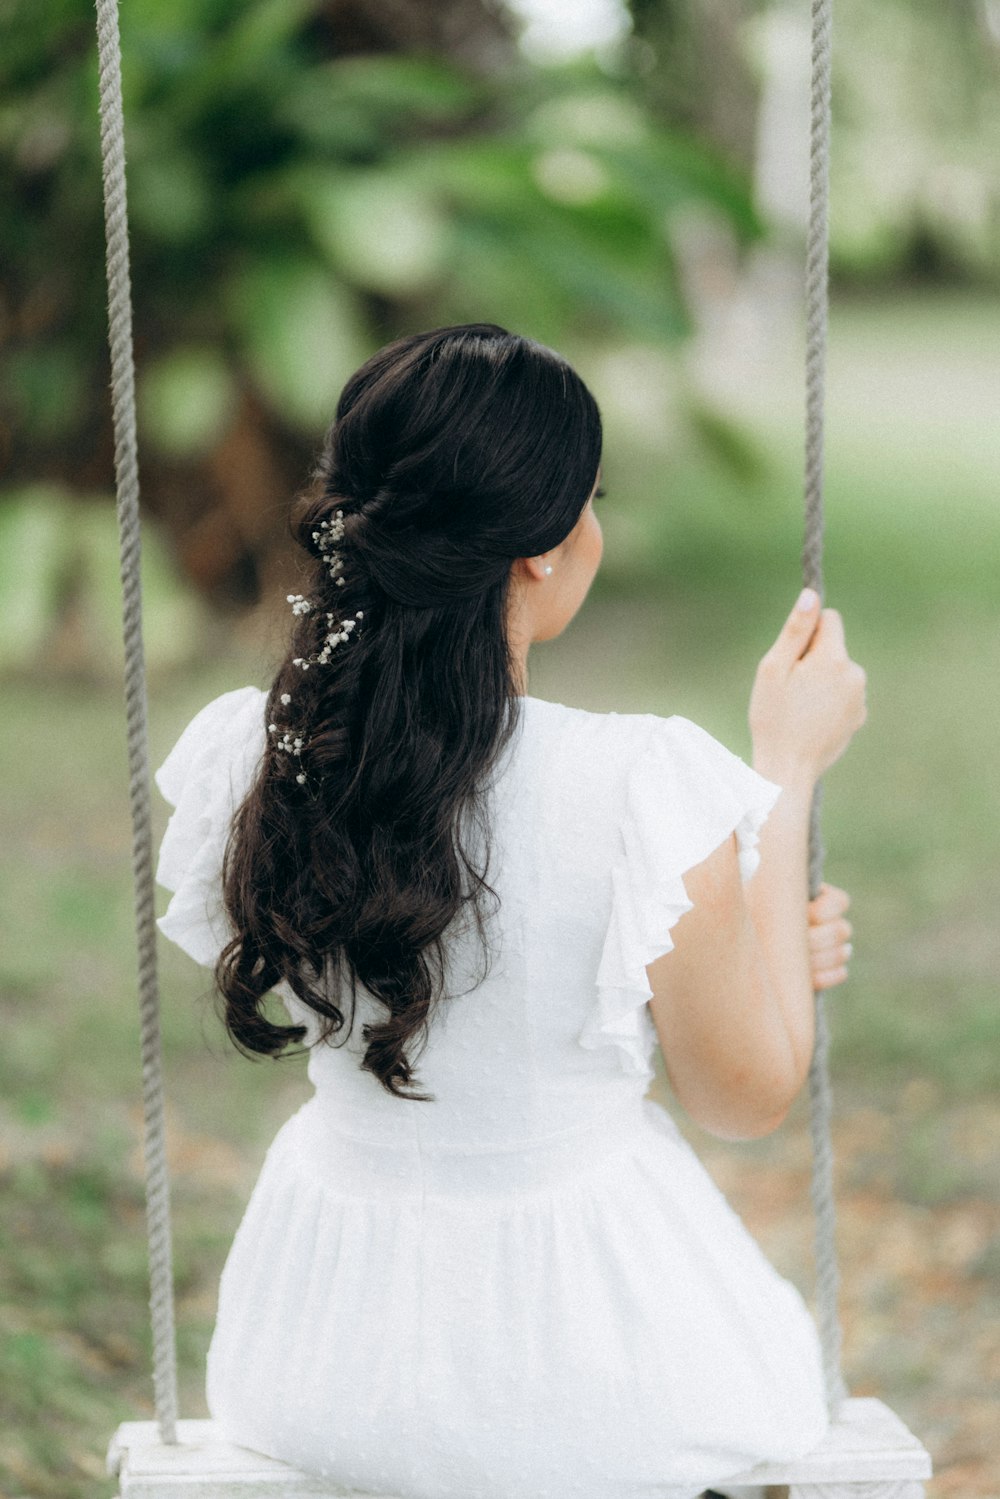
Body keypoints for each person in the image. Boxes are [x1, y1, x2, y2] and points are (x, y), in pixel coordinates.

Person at [153, 324, 866, 1499]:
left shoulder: (257, 751)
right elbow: (746, 1095)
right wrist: (786, 770)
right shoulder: (634, 786)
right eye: (590, 498)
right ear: (539, 549)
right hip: (589, 1368)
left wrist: (752, 933)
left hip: (320, 1354)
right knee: (765, 1372)